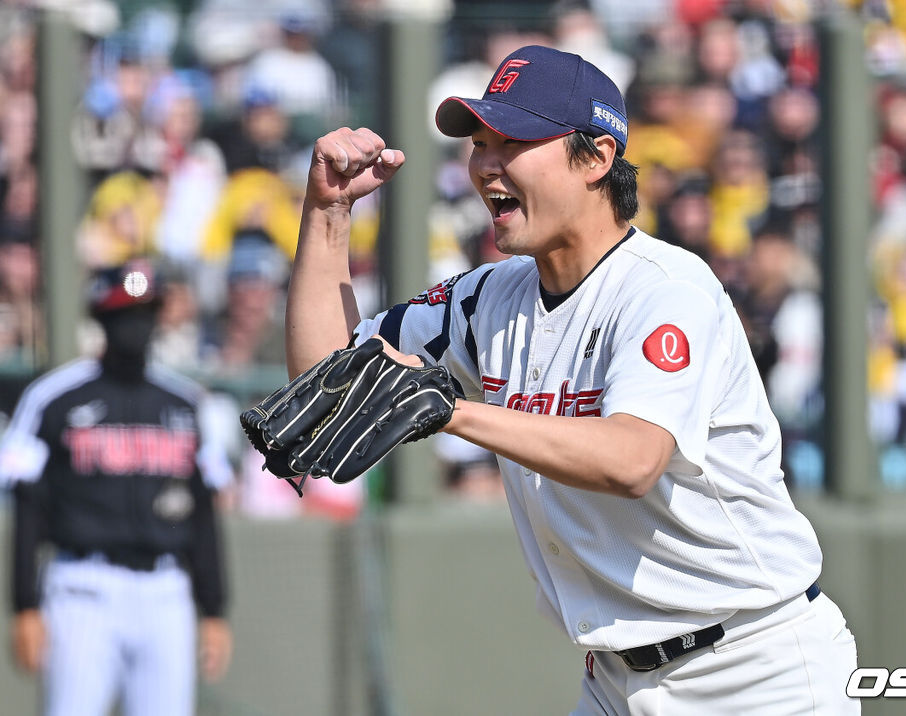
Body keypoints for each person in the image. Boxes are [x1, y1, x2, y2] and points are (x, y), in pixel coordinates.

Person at [286, 45, 859, 714]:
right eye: (479, 143)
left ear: (597, 158)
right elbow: (324, 385)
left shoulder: (667, 289)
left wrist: (450, 411)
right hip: (614, 681)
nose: (487, 164)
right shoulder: (488, 299)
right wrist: (327, 215)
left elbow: (632, 459)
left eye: (514, 140)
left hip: (753, 672)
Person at [1, 259, 233, 716]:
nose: (138, 326)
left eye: (146, 314)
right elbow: (27, 505)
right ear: (102, 319)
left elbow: (204, 511)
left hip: (166, 590)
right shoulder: (54, 398)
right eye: (126, 315)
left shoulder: (184, 403)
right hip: (83, 589)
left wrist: (214, 609)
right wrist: (24, 604)